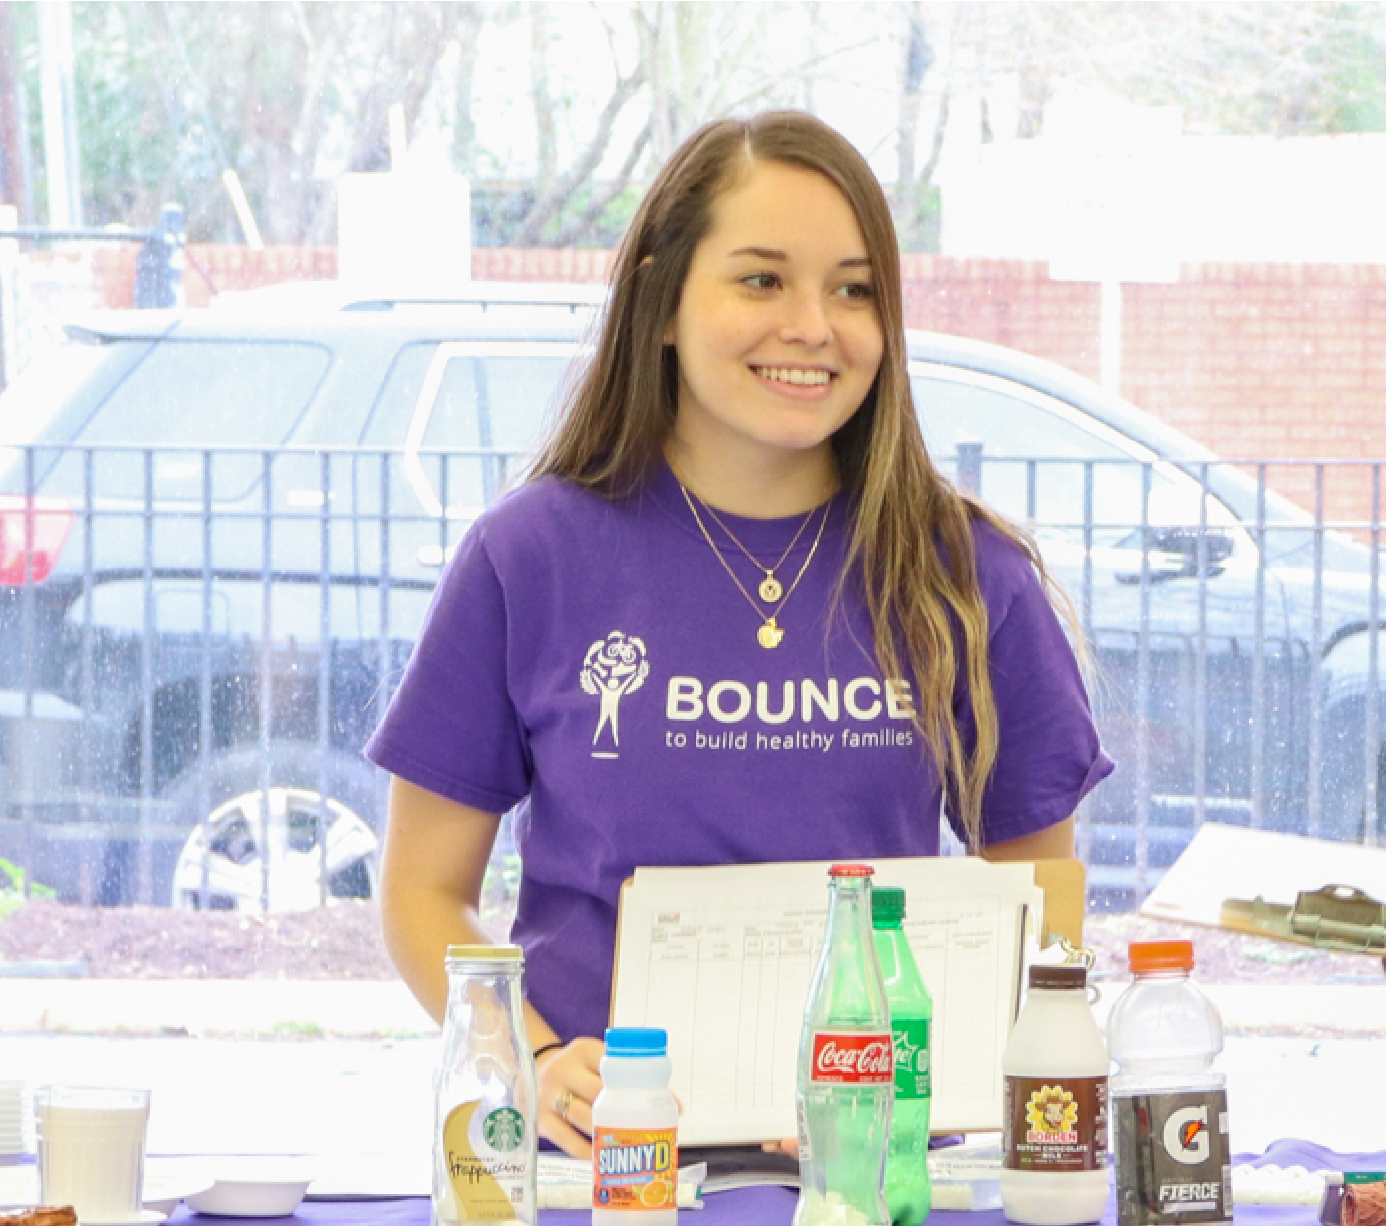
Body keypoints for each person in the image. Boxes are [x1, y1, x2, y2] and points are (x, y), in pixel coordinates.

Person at [368, 111, 1113, 1158]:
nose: (813, 324)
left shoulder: (967, 573)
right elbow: (418, 890)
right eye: (762, 279)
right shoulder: (525, 555)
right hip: (611, 1169)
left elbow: (1040, 918)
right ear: (661, 304)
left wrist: (917, 1095)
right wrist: (531, 1062)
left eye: (853, 289)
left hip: (871, 1167)